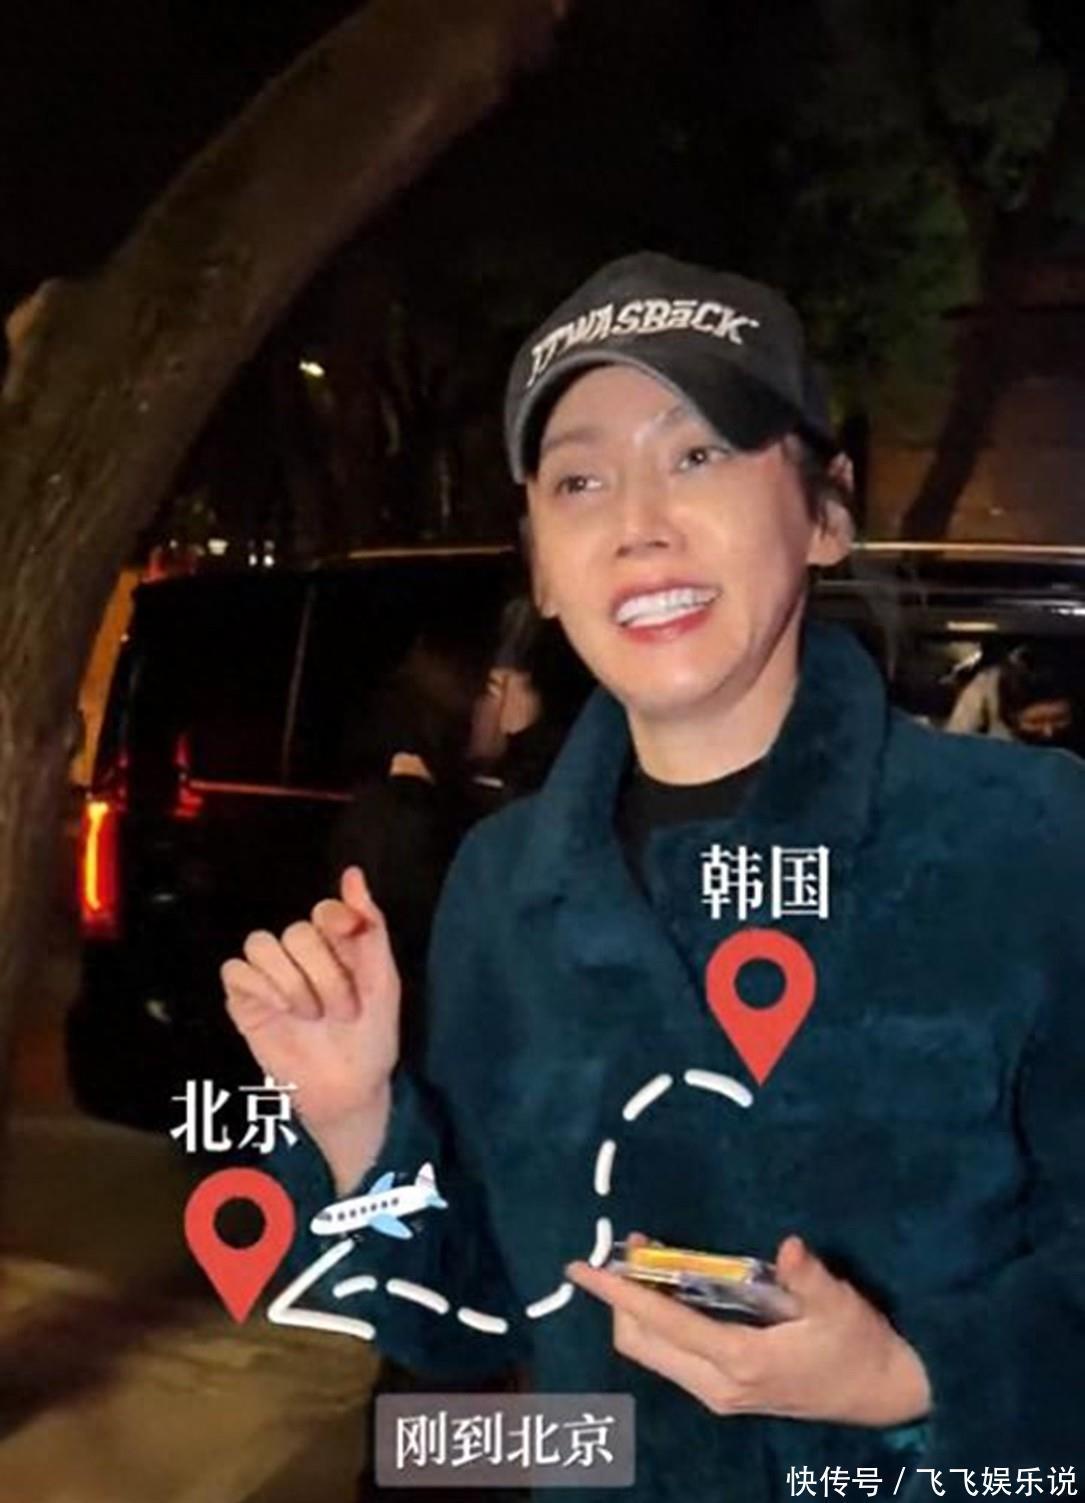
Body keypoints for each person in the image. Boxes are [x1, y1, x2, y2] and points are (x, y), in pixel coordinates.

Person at [222, 253, 1085, 1500]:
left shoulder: (1027, 839)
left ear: (826, 511)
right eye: (579, 480)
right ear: (540, 563)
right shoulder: (501, 887)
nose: (638, 524)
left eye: (697, 454)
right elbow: (463, 1323)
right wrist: (356, 1121)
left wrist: (911, 1379)